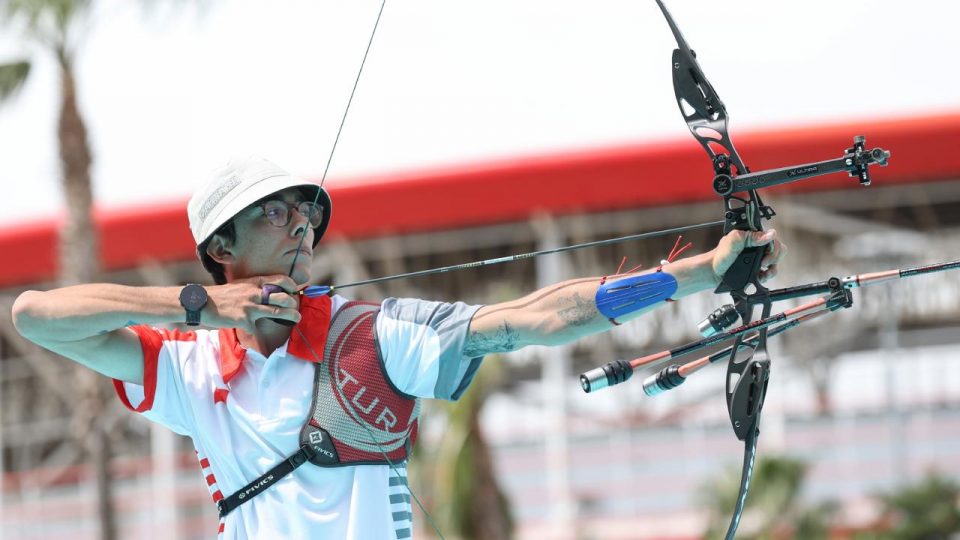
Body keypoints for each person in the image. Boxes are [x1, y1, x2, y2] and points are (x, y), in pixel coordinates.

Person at [11, 155, 786, 539]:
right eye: (277, 213)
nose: (302, 227)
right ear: (222, 245)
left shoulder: (371, 336)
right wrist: (196, 305)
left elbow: (536, 318)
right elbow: (36, 317)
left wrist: (699, 274)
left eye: (305, 215)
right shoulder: (186, 367)